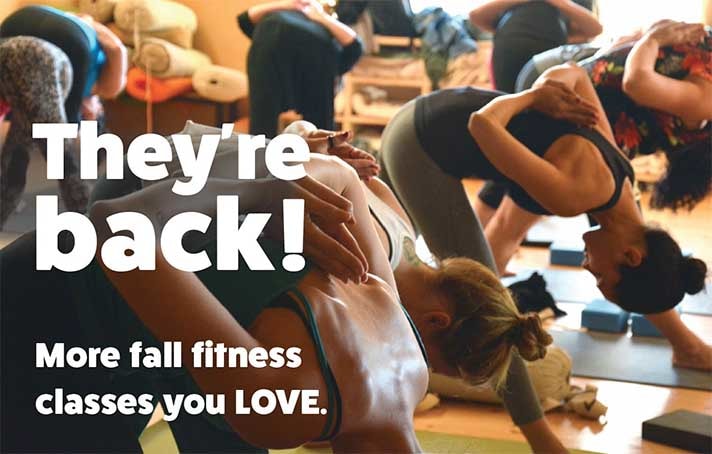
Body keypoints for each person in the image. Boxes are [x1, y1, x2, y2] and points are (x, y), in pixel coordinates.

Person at [1, 139, 555, 452]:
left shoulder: (403, 355)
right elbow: (120, 230)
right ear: (439, 323)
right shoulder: (289, 407)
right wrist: (257, 185)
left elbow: (339, 170)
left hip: (124, 342)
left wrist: (269, 177)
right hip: (40, 312)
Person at [379, 62, 712, 372]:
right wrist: (536, 96)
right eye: (601, 279)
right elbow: (481, 124)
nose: (588, 270)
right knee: (481, 308)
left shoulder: (623, 177)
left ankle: (387, 361)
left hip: (424, 120)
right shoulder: (573, 196)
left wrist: (542, 96)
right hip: (420, 144)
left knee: (391, 265)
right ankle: (525, 423)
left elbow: (574, 74)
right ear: (630, 255)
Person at [485, 20, 712, 217]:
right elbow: (636, 81)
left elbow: (638, 82)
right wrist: (649, 38)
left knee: (519, 202)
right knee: (520, 208)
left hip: (583, 109)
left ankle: (483, 257)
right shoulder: (702, 46)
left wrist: (651, 40)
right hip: (559, 87)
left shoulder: (705, 99)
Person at [0, 5, 127, 227]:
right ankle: (91, 225)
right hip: (59, 43)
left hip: (17, 26)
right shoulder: (103, 85)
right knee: (59, 149)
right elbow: (116, 48)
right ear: (99, 112)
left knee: (21, 145)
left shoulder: (81, 66)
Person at [238, 0, 362, 137]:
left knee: (262, 123)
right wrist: (319, 16)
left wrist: (289, 6)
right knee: (319, 125)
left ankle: (260, 153)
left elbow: (245, 19)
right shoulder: (329, 42)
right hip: (300, 58)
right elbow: (356, 45)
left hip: (270, 48)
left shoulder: (323, 35)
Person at [469, 0, 601, 93]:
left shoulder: (566, 8)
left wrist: (558, 2)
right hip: (507, 57)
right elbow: (475, 16)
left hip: (546, 58)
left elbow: (595, 29)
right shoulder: (509, 8)